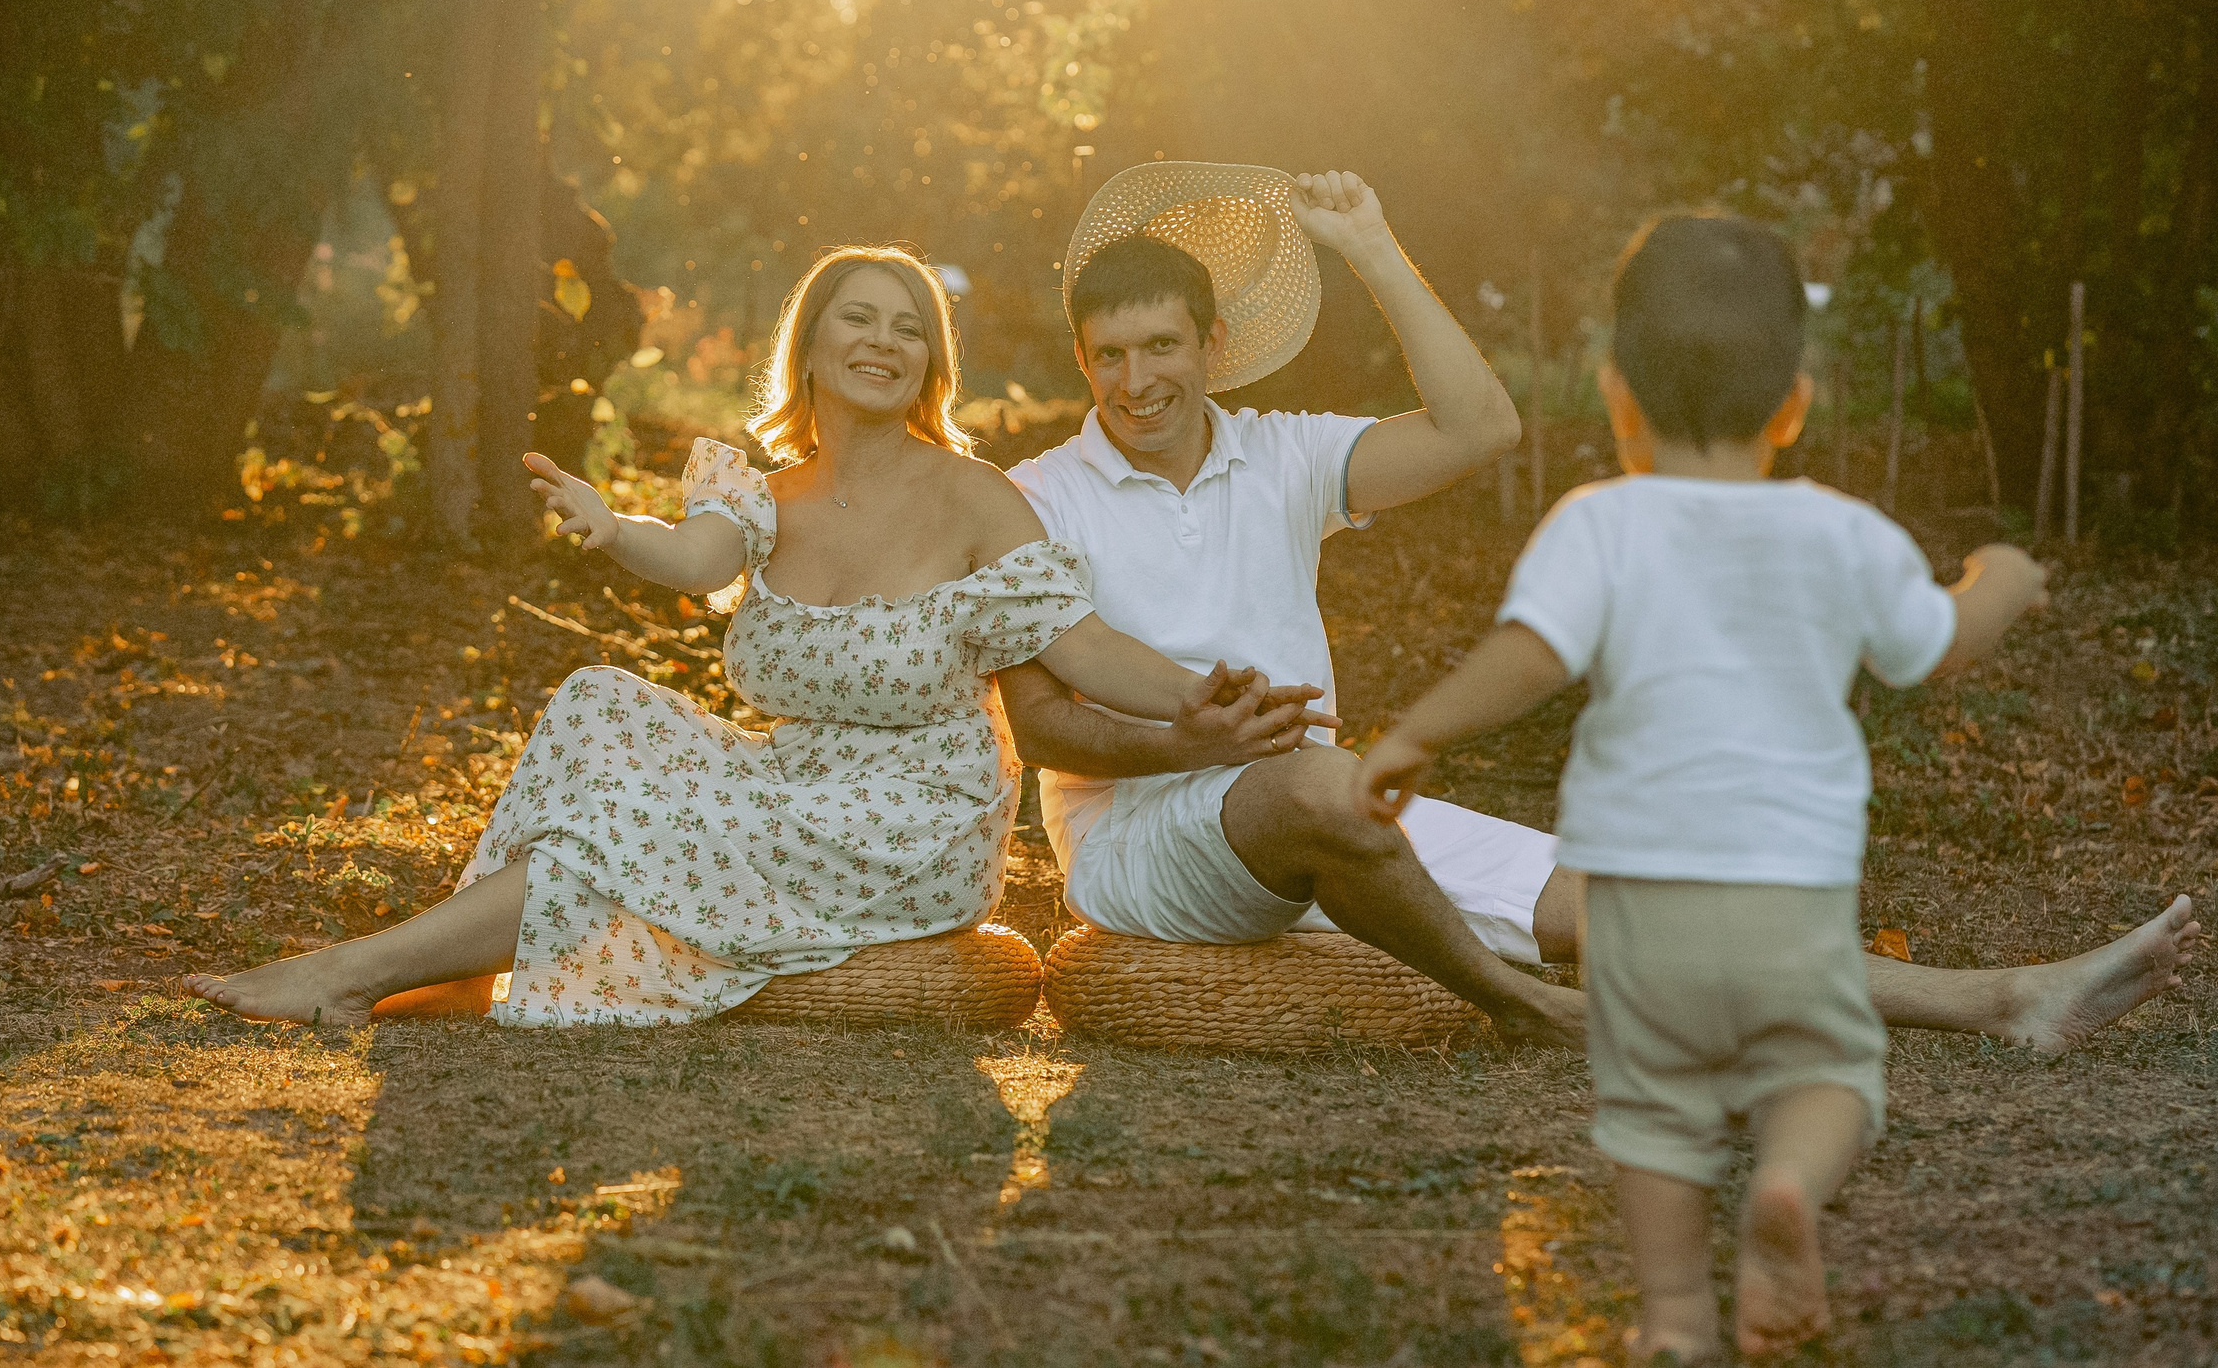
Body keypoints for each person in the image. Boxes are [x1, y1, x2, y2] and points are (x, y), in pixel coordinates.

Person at [996, 163, 2198, 1055]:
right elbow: (1040, 724)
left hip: (1314, 796)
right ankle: (1525, 1005)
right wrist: (1184, 741)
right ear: (1082, 361)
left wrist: (1367, 241)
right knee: (1321, 780)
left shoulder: (1284, 455)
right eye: (1108, 355)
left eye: (1160, 346)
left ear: (1212, 342)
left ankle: (2004, 997)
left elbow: (1482, 427)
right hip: (1141, 843)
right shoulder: (1037, 494)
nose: (1136, 380)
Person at [185, 245, 1318, 1029]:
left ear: (931, 361)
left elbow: (1082, 649)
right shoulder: (759, 492)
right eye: (857, 319)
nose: (883, 341)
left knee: (624, 822)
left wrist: (1203, 701)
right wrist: (613, 524)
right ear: (811, 347)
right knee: (598, 702)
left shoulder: (978, 498)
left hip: (910, 817)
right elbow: (691, 561)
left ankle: (361, 970)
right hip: (790, 783)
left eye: (907, 327)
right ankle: (386, 969)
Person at [1353, 216, 2051, 1360]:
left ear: (1616, 394)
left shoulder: (1598, 523)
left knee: (1655, 1115)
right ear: (1796, 402)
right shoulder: (1838, 532)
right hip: (1789, 902)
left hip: (1636, 908)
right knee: (1826, 1071)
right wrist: (2002, 579)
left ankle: (1675, 1316)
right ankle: (1785, 1181)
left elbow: (1530, 654)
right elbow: (1939, 643)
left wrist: (1413, 733)